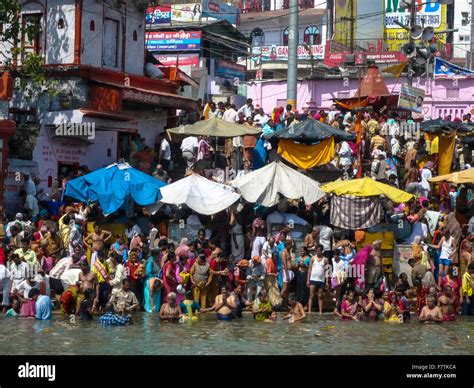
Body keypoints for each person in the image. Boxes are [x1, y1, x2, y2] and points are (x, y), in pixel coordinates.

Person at [307, 245, 328, 314]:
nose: (317, 252)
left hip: (321, 280)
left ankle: (320, 311)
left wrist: (327, 282)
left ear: (322, 251)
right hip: (313, 279)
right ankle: (309, 311)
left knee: (320, 296)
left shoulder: (325, 259)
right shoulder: (313, 258)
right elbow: (309, 269)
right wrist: (308, 280)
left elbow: (326, 271)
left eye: (319, 250)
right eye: (316, 251)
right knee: (311, 295)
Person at [144, 249, 162, 313]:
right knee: (149, 297)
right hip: (150, 282)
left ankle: (156, 310)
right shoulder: (150, 261)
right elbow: (148, 272)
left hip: (157, 282)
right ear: (155, 255)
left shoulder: (158, 261)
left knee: (156, 298)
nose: (160, 256)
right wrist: (155, 277)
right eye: (158, 255)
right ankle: (149, 310)